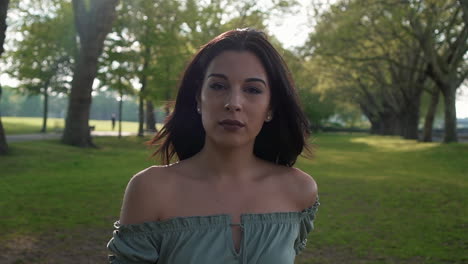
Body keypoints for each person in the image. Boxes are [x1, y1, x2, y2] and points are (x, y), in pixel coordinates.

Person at [107, 28, 319, 264]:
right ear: (198, 98)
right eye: (218, 86)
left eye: (252, 90)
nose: (233, 103)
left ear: (270, 107)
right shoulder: (150, 190)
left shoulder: (299, 191)